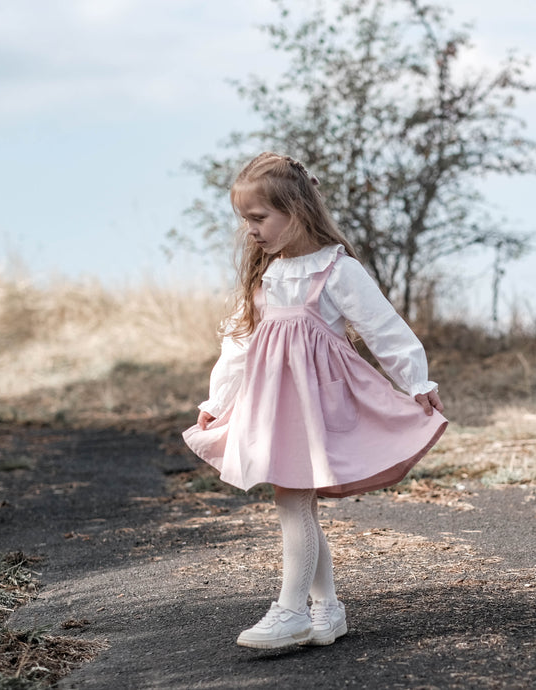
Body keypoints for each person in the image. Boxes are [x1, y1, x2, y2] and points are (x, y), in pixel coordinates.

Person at [183, 152, 447, 650]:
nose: (251, 231)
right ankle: (326, 610)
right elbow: (237, 344)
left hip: (315, 406)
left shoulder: (335, 270)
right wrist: (218, 398)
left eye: (259, 218)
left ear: (296, 212)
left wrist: (416, 380)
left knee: (292, 500)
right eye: (246, 220)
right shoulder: (264, 275)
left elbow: (382, 327)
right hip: (271, 407)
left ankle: (290, 611)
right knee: (296, 501)